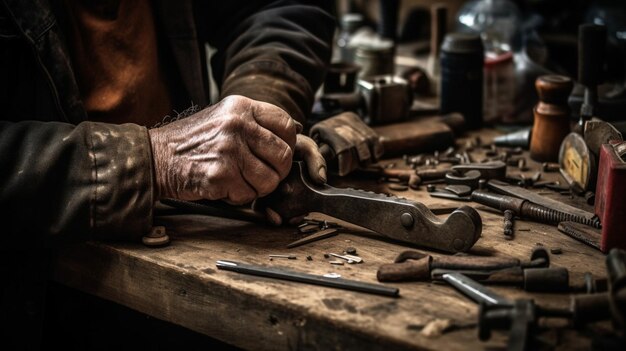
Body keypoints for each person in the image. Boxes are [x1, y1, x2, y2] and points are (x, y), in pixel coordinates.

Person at [0, 0, 336, 347]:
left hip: (191, 255)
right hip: (38, 296)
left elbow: (277, 7)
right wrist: (156, 160)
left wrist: (258, 122)